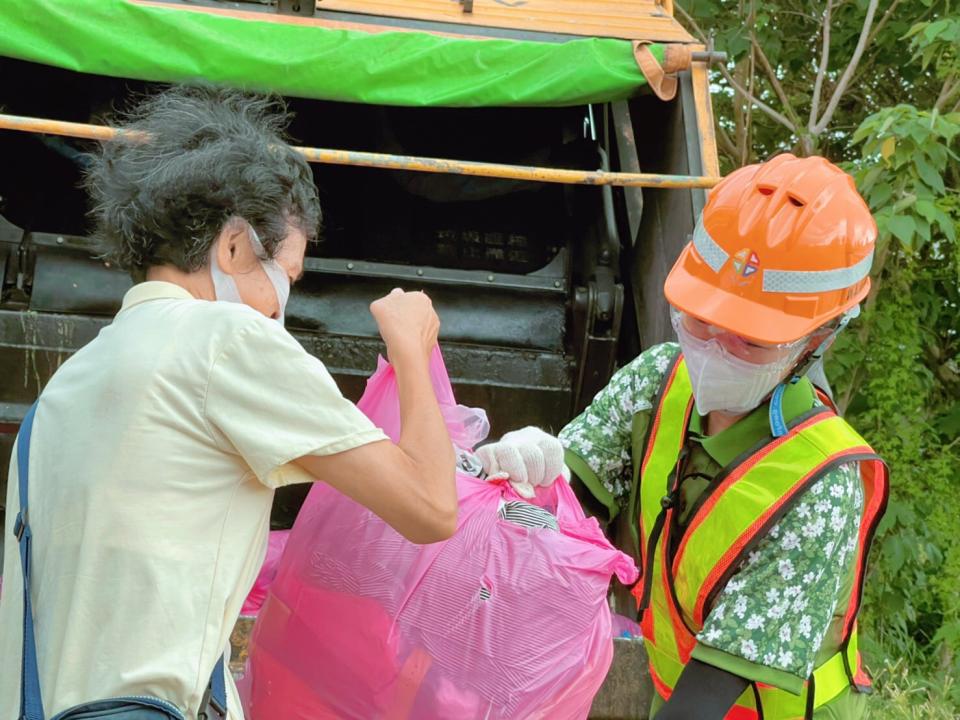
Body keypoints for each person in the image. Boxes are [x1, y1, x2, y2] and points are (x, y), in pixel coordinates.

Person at [0, 86, 457, 720]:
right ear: (235, 246)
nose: (281, 307)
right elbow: (431, 509)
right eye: (287, 277)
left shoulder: (69, 384)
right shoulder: (224, 339)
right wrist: (414, 348)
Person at [479, 154, 889, 719]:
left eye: (750, 340)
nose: (715, 348)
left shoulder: (822, 482)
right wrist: (537, 476)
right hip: (671, 691)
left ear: (817, 339)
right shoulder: (661, 378)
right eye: (700, 318)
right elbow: (573, 499)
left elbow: (714, 686)